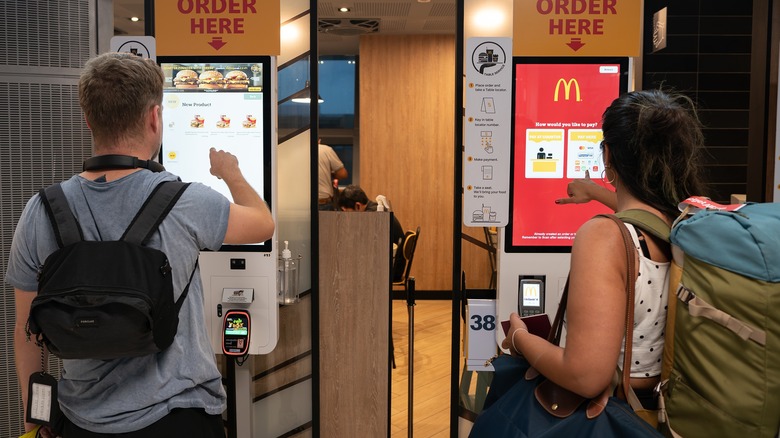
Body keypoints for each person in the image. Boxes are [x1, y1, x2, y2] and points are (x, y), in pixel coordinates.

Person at [7, 53, 274, 437]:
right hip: (181, 418)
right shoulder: (187, 201)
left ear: (89, 120)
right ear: (154, 118)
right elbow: (262, 223)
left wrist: (36, 420)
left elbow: (25, 331)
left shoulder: (42, 210)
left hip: (82, 421)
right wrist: (230, 173)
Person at [502, 90, 707, 409]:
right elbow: (643, 210)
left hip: (615, 412)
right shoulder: (683, 222)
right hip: (662, 411)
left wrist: (520, 338)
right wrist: (596, 192)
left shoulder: (604, 236)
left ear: (608, 155)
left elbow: (585, 376)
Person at [337, 184, 406, 281]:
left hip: (392, 269)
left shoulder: (372, 217)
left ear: (357, 206)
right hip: (394, 265)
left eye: (346, 212)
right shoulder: (374, 210)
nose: (347, 217)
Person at [318, 138, 348, 211]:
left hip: (300, 203)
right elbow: (343, 174)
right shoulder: (326, 150)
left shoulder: (296, 152)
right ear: (319, 140)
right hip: (322, 203)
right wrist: (331, 175)